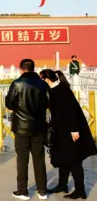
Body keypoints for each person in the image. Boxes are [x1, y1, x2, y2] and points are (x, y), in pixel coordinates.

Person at [40, 69, 97, 199]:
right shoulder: (53, 90)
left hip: (70, 131)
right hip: (60, 131)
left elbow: (71, 111)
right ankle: (62, 184)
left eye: (41, 79)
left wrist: (74, 130)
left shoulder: (62, 91)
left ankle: (80, 189)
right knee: (62, 158)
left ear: (46, 79)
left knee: (74, 161)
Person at [5, 59, 49, 200]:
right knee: (39, 159)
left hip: (22, 128)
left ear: (21, 69)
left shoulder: (17, 84)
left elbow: (10, 104)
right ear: (33, 68)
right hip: (38, 127)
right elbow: (47, 103)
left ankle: (23, 191)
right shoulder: (43, 84)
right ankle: (42, 190)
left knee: (22, 159)